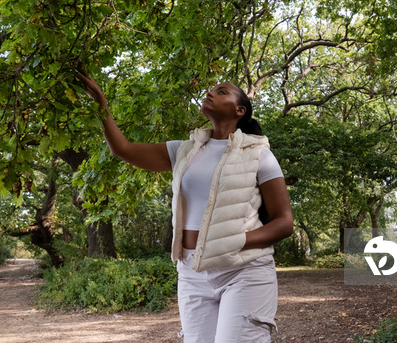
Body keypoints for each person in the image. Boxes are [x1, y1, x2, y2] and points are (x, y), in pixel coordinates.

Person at [77, 70, 294, 343]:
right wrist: (100, 104)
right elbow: (123, 149)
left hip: (243, 271)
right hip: (192, 273)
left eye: (222, 91)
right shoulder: (184, 150)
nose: (211, 92)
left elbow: (284, 222)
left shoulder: (259, 154)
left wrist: (235, 240)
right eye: (211, 89)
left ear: (240, 110)